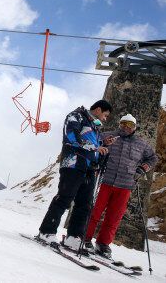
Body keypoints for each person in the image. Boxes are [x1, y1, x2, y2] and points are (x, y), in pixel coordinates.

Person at [37, 100, 112, 250]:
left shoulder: (94, 127)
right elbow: (71, 137)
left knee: (84, 205)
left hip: (89, 168)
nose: (105, 119)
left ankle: (74, 237)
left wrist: (104, 146)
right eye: (105, 115)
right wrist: (96, 147)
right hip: (73, 164)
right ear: (98, 109)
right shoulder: (76, 116)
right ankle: (46, 231)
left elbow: (95, 149)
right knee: (65, 197)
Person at [83, 114, 158, 259]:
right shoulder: (108, 136)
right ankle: (85, 238)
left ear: (135, 127)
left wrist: (142, 169)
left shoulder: (141, 144)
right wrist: (103, 146)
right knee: (95, 211)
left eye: (129, 125)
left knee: (114, 216)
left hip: (126, 184)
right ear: (119, 124)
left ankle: (103, 244)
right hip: (105, 181)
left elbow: (153, 158)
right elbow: (92, 143)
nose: (125, 127)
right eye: (123, 124)